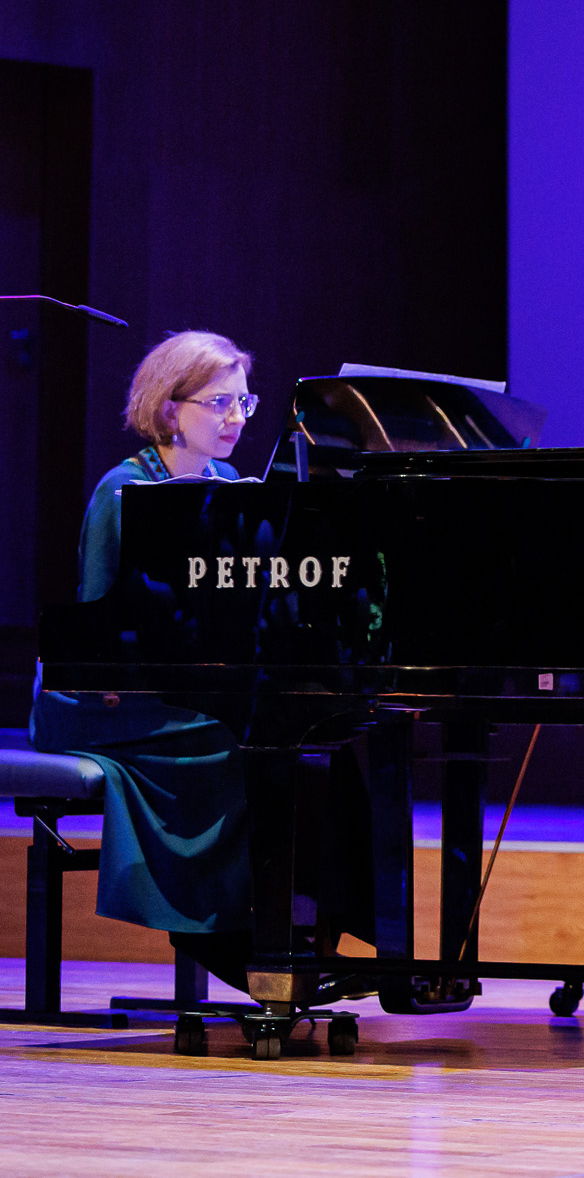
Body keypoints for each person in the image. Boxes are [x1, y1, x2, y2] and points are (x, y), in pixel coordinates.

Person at [31, 330, 370, 987]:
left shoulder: (230, 485)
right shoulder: (124, 490)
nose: (237, 417)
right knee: (232, 740)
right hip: (101, 701)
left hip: (189, 691)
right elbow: (99, 630)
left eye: (244, 402)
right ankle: (231, 940)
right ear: (169, 408)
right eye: (219, 403)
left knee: (315, 733)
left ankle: (312, 934)